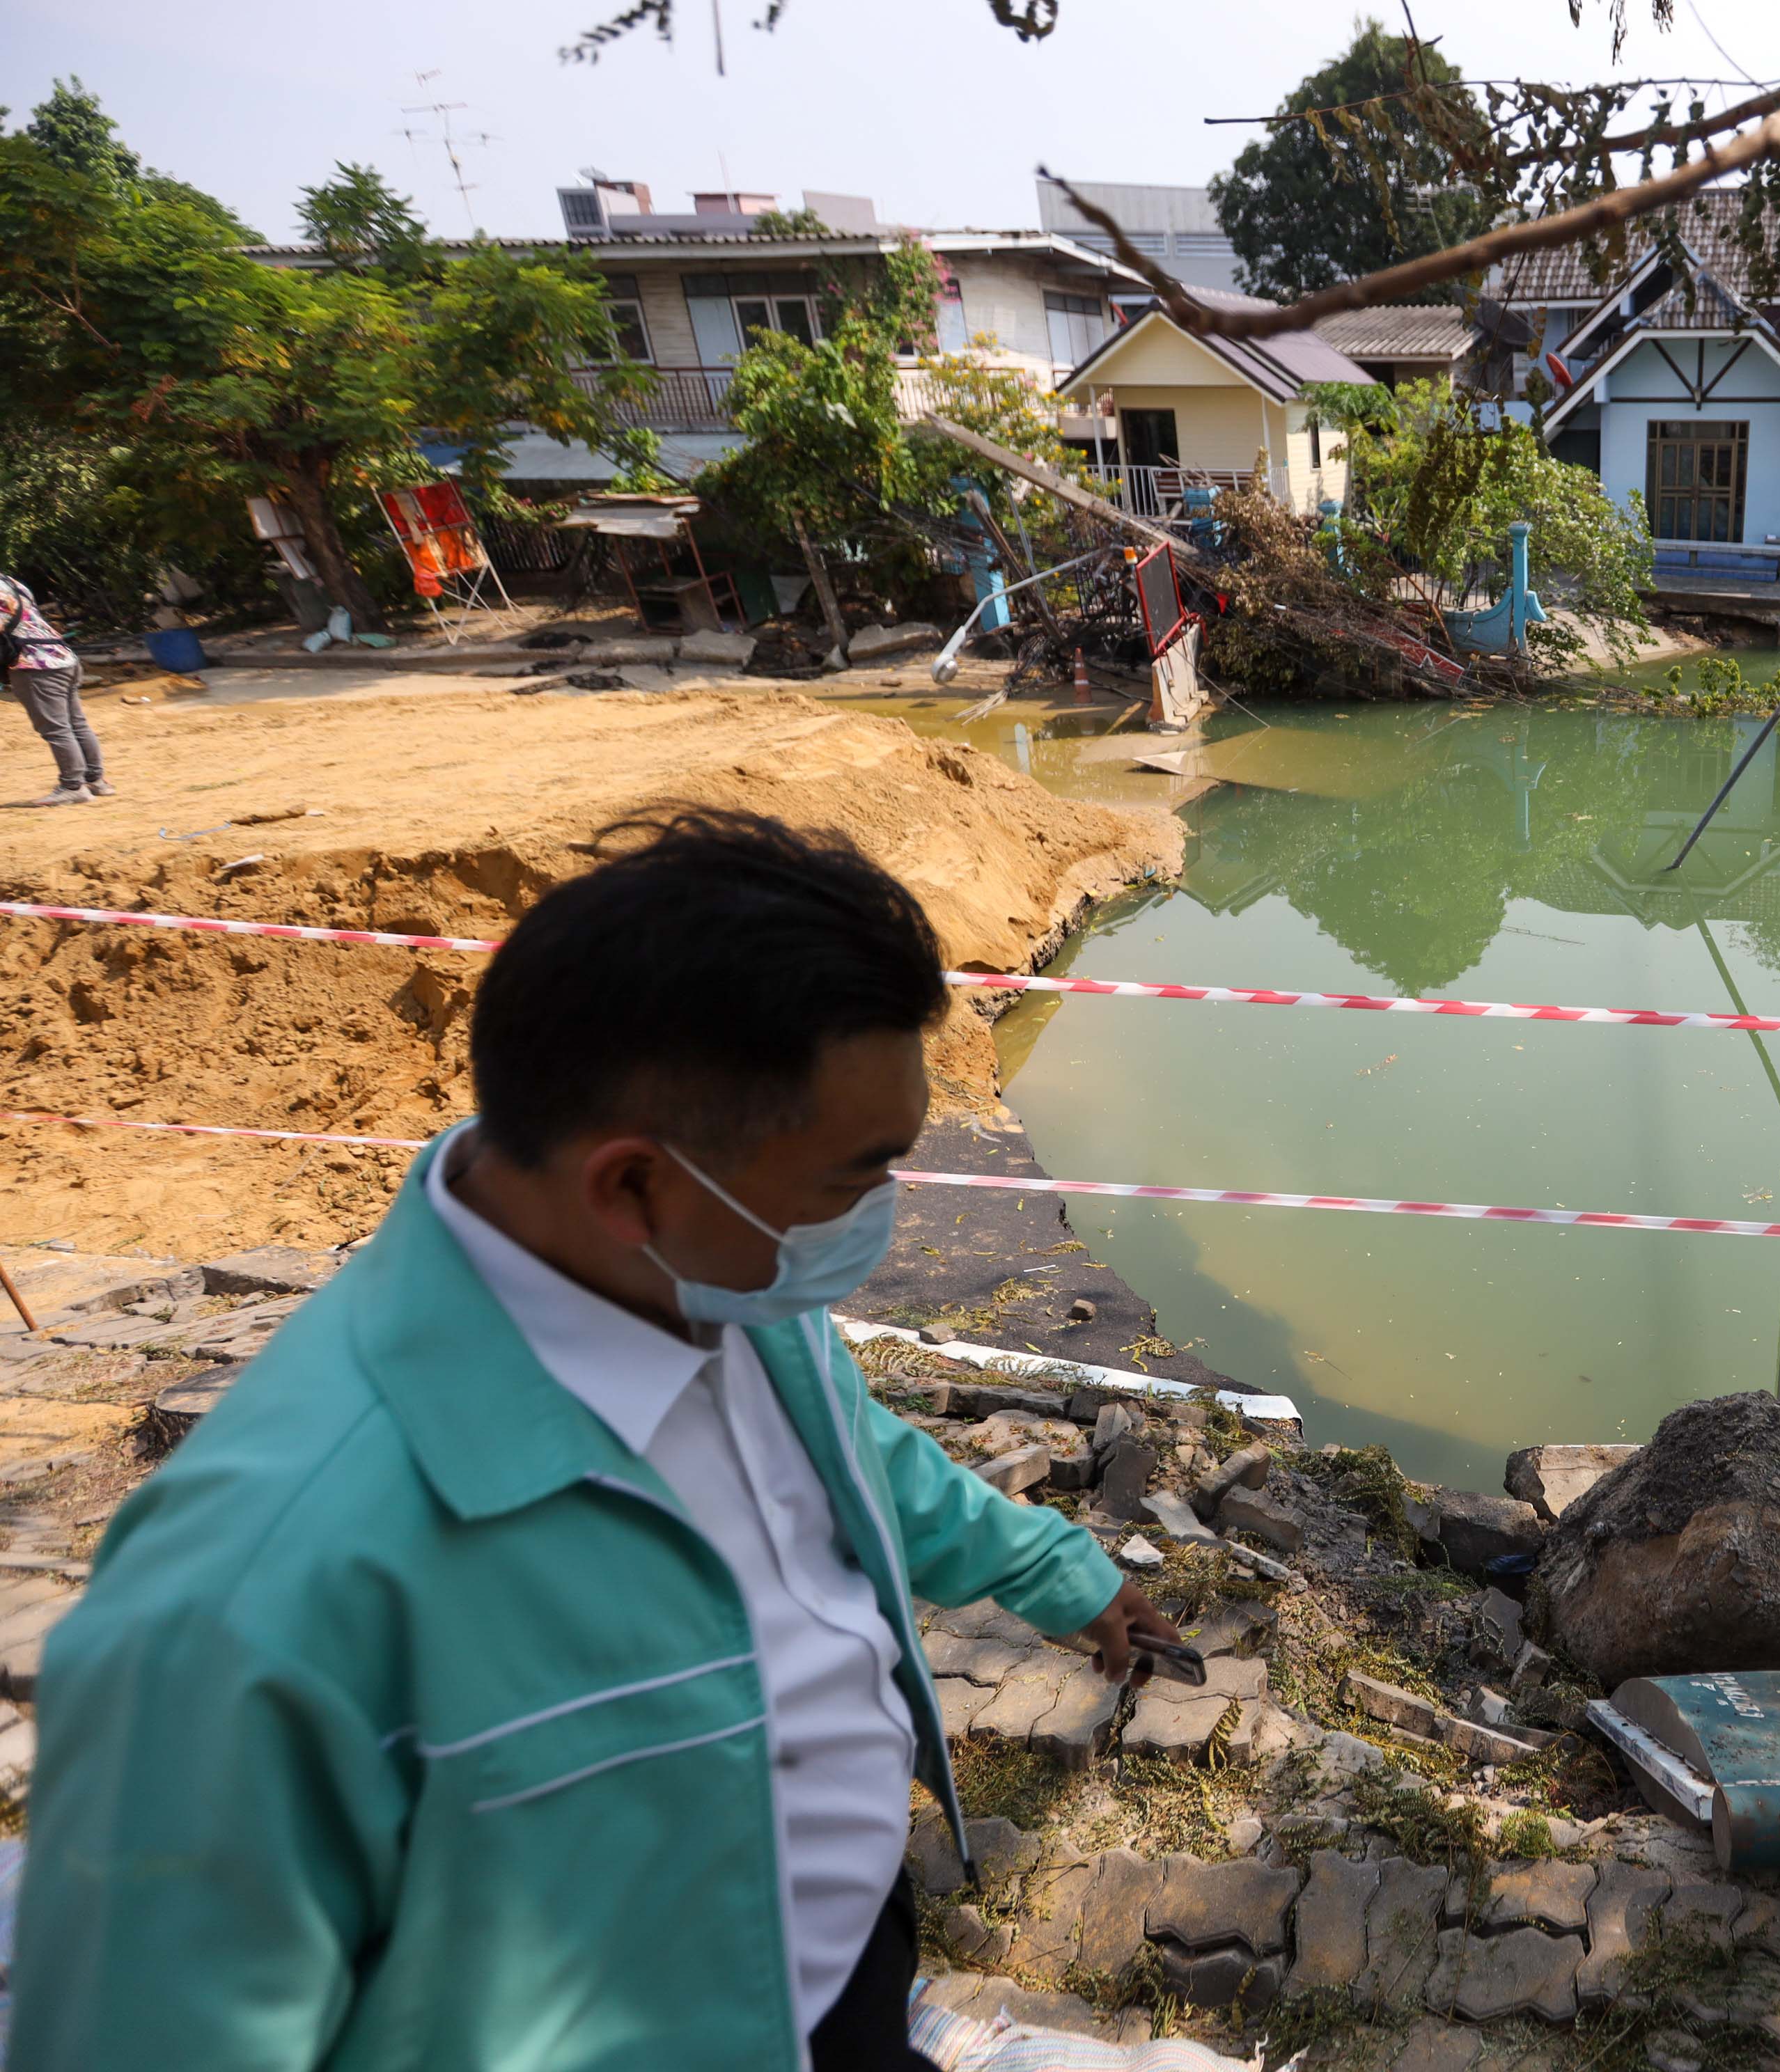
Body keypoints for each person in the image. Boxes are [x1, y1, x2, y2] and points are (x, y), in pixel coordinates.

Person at [16, 810, 1182, 2070]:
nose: (882, 1215)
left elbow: (860, 1465)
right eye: (857, 1176)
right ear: (630, 1183)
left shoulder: (718, 1291)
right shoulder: (252, 1601)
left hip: (830, 1975)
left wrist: (1064, 1578)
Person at [1, 572, 106, 806]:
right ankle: (95, 781)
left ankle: (73, 786)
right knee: (75, 723)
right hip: (61, 656)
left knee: (56, 730)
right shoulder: (10, 581)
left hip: (36, 665)